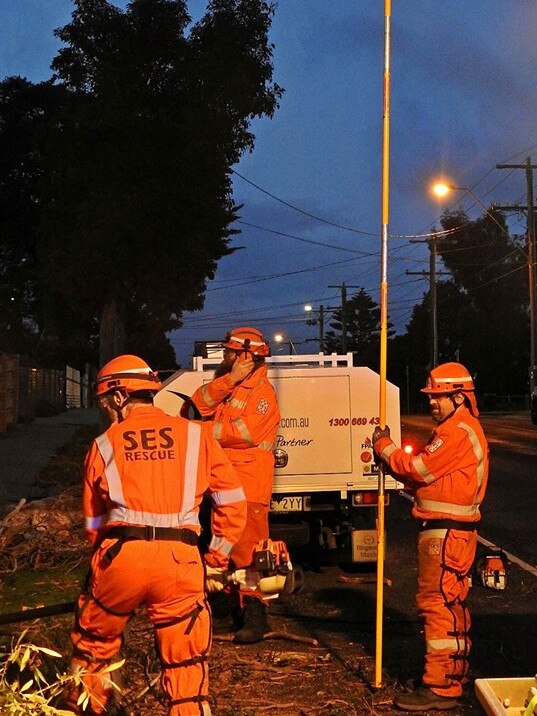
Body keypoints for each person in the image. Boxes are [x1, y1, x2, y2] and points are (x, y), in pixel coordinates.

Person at [65, 354, 247, 716]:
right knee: (186, 667)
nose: (107, 413)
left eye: (105, 404)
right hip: (181, 563)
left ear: (118, 397)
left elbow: (93, 523)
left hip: (121, 558)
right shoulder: (196, 436)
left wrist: (104, 567)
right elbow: (233, 502)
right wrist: (214, 560)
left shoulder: (104, 445)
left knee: (93, 648)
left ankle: (86, 708)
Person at [372, 362, 489, 712]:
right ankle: (450, 677)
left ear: (458, 397)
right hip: (450, 531)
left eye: (438, 398)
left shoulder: (457, 431)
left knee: (436, 605)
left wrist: (384, 447)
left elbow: (418, 468)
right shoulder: (457, 430)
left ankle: (440, 688)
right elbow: (426, 477)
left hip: (446, 532)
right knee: (448, 604)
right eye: (431, 397)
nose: (432, 404)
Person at [191, 327, 281, 643]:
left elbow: (245, 434)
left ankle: (257, 619)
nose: (225, 356)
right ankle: (234, 615)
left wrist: (201, 431)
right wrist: (229, 378)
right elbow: (199, 402)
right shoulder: (234, 387)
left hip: (249, 488)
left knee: (249, 555)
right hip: (227, 487)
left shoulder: (262, 394)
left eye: (230, 352)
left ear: (246, 355)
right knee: (225, 553)